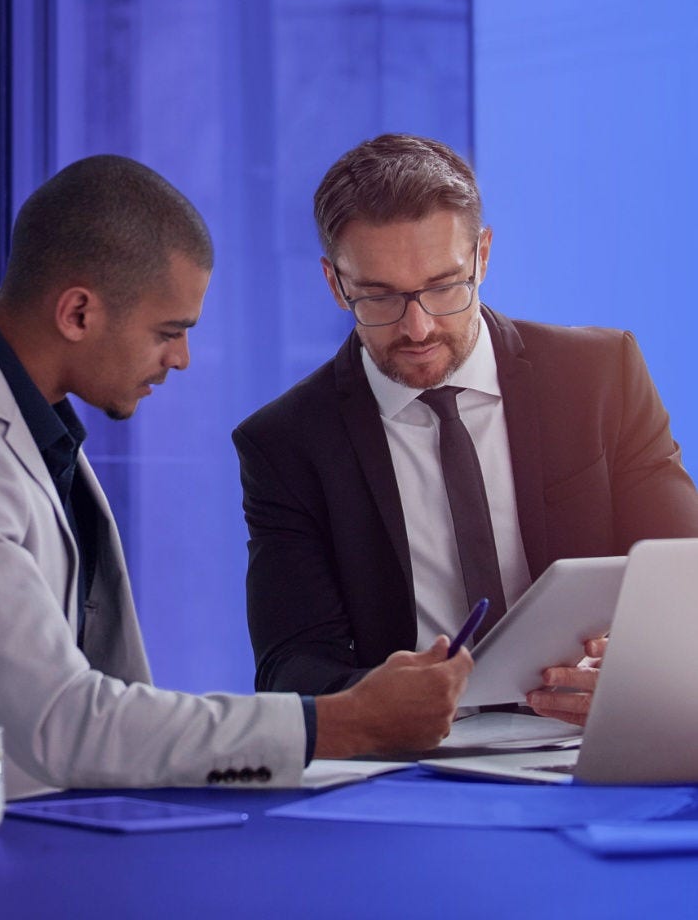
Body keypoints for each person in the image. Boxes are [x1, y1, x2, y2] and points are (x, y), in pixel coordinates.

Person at [0, 154, 470, 827]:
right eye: (168, 332)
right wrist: (339, 724)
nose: (180, 358)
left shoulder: (21, 422)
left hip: (44, 825)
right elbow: (64, 723)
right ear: (78, 312)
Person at [235, 134, 698, 725]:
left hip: (600, 734)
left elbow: (687, 579)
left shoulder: (601, 376)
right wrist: (378, 699)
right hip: (417, 761)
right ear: (334, 283)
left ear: (482, 255)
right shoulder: (286, 444)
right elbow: (289, 666)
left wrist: (636, 667)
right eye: (379, 297)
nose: (419, 327)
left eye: (444, 286)